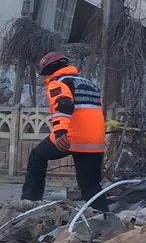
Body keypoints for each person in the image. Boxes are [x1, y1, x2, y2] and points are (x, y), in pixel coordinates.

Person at [22, 52, 107, 209]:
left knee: (37, 156)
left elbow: (65, 105)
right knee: (90, 184)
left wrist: (61, 132)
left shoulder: (59, 82)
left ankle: (29, 203)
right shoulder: (90, 85)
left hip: (71, 136)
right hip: (95, 141)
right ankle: (104, 217)